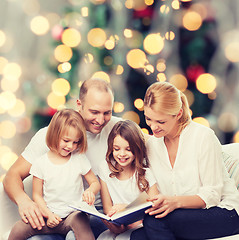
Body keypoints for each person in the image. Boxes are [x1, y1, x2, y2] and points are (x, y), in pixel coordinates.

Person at [3, 78, 121, 240]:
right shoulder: (50, 135)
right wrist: (25, 202)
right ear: (79, 104)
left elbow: (152, 140)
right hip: (53, 214)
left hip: (94, 213)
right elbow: (12, 176)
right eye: (94, 112)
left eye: (107, 113)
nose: (100, 120)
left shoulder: (118, 130)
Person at [130, 81, 239, 240]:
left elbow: (212, 195)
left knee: (154, 222)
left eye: (161, 121)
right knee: (138, 237)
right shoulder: (151, 145)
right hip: (184, 216)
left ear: (178, 113)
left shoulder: (203, 137)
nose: (153, 127)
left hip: (224, 212)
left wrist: (174, 202)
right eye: (148, 119)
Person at [8, 109, 100, 240]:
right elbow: (37, 196)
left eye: (75, 142)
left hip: (73, 215)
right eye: (66, 140)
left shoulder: (79, 159)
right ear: (54, 135)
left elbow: (95, 183)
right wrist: (48, 215)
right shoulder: (41, 163)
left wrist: (91, 191)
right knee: (18, 228)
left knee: (80, 221)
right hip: (49, 216)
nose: (71, 146)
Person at [97, 120, 159, 240]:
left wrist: (125, 208)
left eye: (128, 149)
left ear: (137, 149)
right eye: (116, 149)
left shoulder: (146, 174)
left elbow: (154, 208)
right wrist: (114, 223)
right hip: (117, 225)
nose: (122, 154)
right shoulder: (105, 168)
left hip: (140, 226)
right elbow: (107, 208)